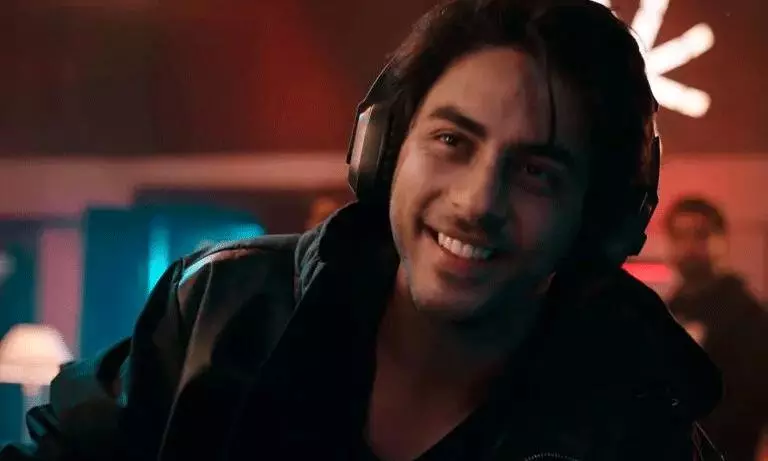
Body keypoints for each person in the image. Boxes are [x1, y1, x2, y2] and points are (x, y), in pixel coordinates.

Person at [0, 0, 722, 460]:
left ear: (596, 220)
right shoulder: (219, 310)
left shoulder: (639, 425)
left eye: (537, 171)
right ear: (385, 150)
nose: (477, 201)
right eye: (452, 140)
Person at [665, 197, 768, 461]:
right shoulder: (668, 309)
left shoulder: (746, 313)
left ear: (722, 240)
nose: (689, 246)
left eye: (700, 234)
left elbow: (751, 399)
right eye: (679, 235)